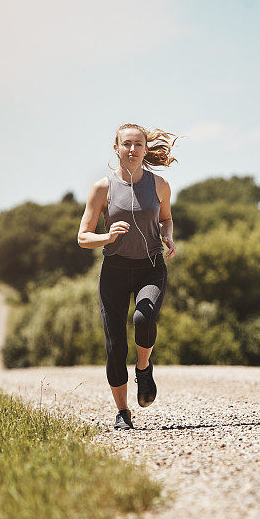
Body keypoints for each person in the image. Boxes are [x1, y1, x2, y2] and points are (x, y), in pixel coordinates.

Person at [77, 123, 177, 430]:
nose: (132, 149)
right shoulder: (102, 188)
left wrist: (168, 236)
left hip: (151, 266)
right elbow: (83, 237)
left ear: (146, 149)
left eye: (138, 144)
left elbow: (166, 218)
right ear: (116, 148)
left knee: (143, 318)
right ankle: (122, 411)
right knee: (115, 345)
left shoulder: (159, 185)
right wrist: (107, 237)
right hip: (115, 271)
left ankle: (144, 368)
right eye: (126, 144)